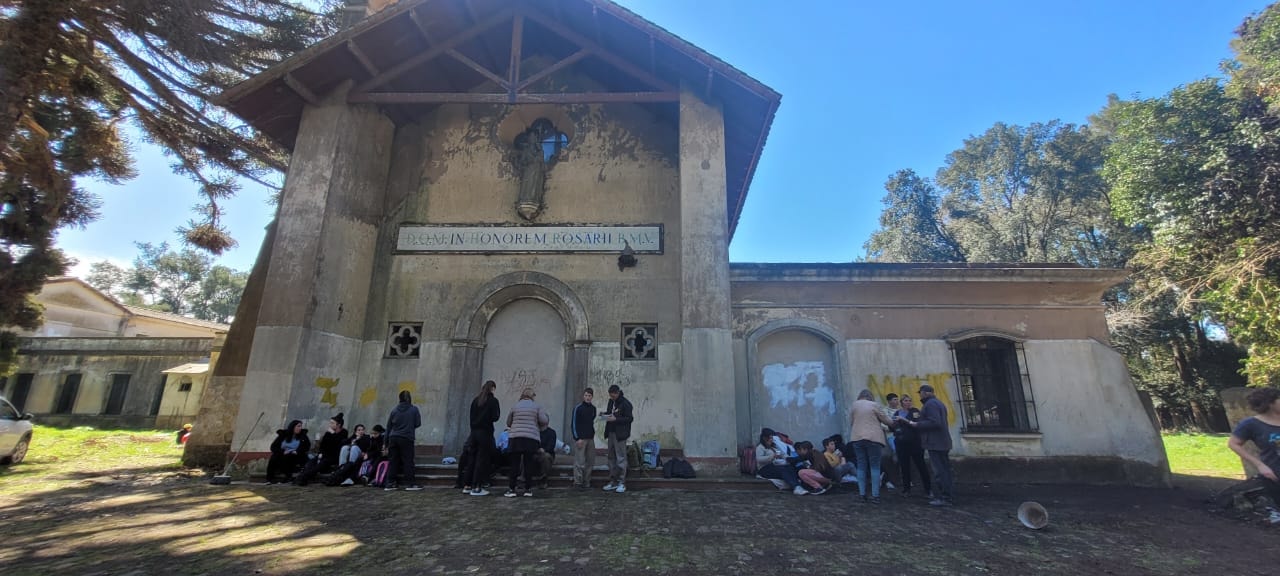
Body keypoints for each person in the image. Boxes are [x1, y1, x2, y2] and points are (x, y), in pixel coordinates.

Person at [1227, 387, 1280, 524]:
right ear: (1270, 403)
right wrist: (1260, 465)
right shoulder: (1251, 424)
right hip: (1275, 474)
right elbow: (1233, 444)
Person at [905, 383, 953, 506]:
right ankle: (947, 495)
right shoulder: (938, 403)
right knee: (944, 470)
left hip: (935, 442)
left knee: (940, 471)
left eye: (920, 393)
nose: (919, 395)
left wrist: (917, 424)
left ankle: (945, 498)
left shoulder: (930, 404)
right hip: (941, 441)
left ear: (926, 393)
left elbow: (935, 422)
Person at [850, 389, 895, 503]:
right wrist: (894, 422)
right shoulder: (874, 405)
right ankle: (875, 495)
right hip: (873, 438)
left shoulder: (854, 405)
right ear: (870, 396)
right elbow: (887, 421)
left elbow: (851, 422)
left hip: (857, 438)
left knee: (861, 466)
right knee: (875, 466)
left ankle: (862, 494)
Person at [504, 387, 549, 497]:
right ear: (531, 396)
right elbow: (544, 420)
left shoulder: (515, 406)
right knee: (528, 463)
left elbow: (508, 422)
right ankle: (528, 489)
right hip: (530, 439)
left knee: (515, 464)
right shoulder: (536, 407)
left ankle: (511, 489)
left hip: (515, 438)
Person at [461, 380, 500, 496]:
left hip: (474, 433)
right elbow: (495, 417)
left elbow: (471, 417)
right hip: (485, 433)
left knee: (471, 459)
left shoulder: (475, 401)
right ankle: (477, 486)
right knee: (481, 460)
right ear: (492, 388)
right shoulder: (493, 401)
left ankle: (467, 485)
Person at [893, 395, 932, 497]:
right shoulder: (897, 412)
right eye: (906, 400)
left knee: (921, 465)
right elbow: (893, 425)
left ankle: (928, 489)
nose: (908, 402)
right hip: (901, 443)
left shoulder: (915, 411)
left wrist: (903, 420)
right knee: (904, 466)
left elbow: (917, 424)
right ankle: (906, 489)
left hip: (915, 443)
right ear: (901, 402)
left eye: (910, 400)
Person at [294, 413, 349, 486]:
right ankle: (302, 478)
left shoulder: (344, 432)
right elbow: (323, 445)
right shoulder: (328, 433)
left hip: (334, 456)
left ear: (338, 425)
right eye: (330, 423)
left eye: (332, 423)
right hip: (324, 454)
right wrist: (320, 453)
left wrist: (333, 433)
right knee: (310, 463)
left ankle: (303, 478)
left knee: (320, 465)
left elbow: (339, 443)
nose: (330, 425)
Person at [385, 390, 424, 491]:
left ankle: (390, 483)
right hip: (406, 437)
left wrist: (385, 443)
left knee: (393, 461)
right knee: (408, 460)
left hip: (393, 437)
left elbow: (388, 427)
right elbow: (418, 423)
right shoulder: (414, 409)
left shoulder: (394, 410)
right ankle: (410, 483)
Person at [602, 384, 634, 493]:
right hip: (610, 432)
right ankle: (613, 481)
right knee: (611, 457)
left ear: (618, 393)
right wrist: (604, 415)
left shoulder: (626, 404)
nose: (612, 398)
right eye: (610, 396)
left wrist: (616, 419)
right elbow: (610, 413)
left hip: (620, 434)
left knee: (621, 458)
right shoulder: (611, 402)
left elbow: (629, 419)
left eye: (613, 396)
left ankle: (622, 482)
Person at [755, 429, 806, 495]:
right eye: (770, 438)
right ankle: (796, 487)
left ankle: (798, 485)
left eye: (772, 437)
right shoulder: (760, 447)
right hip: (764, 469)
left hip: (774, 466)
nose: (771, 439)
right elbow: (759, 459)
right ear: (764, 438)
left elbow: (782, 454)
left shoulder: (774, 446)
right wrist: (772, 457)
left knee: (789, 467)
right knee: (782, 469)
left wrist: (787, 458)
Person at [266, 419, 310, 484]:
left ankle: (288, 476)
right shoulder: (283, 435)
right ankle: (270, 478)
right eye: (298, 426)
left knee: (289, 457)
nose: (300, 428)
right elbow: (273, 447)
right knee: (273, 457)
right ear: (293, 427)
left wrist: (297, 451)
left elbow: (306, 446)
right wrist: (282, 452)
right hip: (283, 453)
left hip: (295, 455)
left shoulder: (303, 436)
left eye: (300, 426)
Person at [571, 387, 597, 490]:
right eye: (586, 395)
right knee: (579, 461)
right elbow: (573, 424)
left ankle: (587, 482)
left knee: (590, 461)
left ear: (592, 397)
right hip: (581, 439)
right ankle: (578, 482)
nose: (587, 397)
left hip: (590, 438)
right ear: (583, 396)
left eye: (589, 396)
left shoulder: (593, 409)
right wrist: (577, 438)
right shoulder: (578, 408)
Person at [534, 424, 558, 488]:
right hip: (535, 453)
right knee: (525, 456)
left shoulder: (551, 432)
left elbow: (551, 446)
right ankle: (523, 480)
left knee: (546, 456)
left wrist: (543, 450)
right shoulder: (534, 432)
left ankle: (543, 479)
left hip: (547, 453)